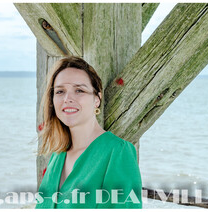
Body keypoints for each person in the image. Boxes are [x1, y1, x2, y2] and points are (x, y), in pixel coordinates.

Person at [35, 56, 142, 209]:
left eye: (79, 90)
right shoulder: (57, 156)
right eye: (60, 91)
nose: (67, 98)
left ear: (97, 99)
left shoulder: (118, 152)